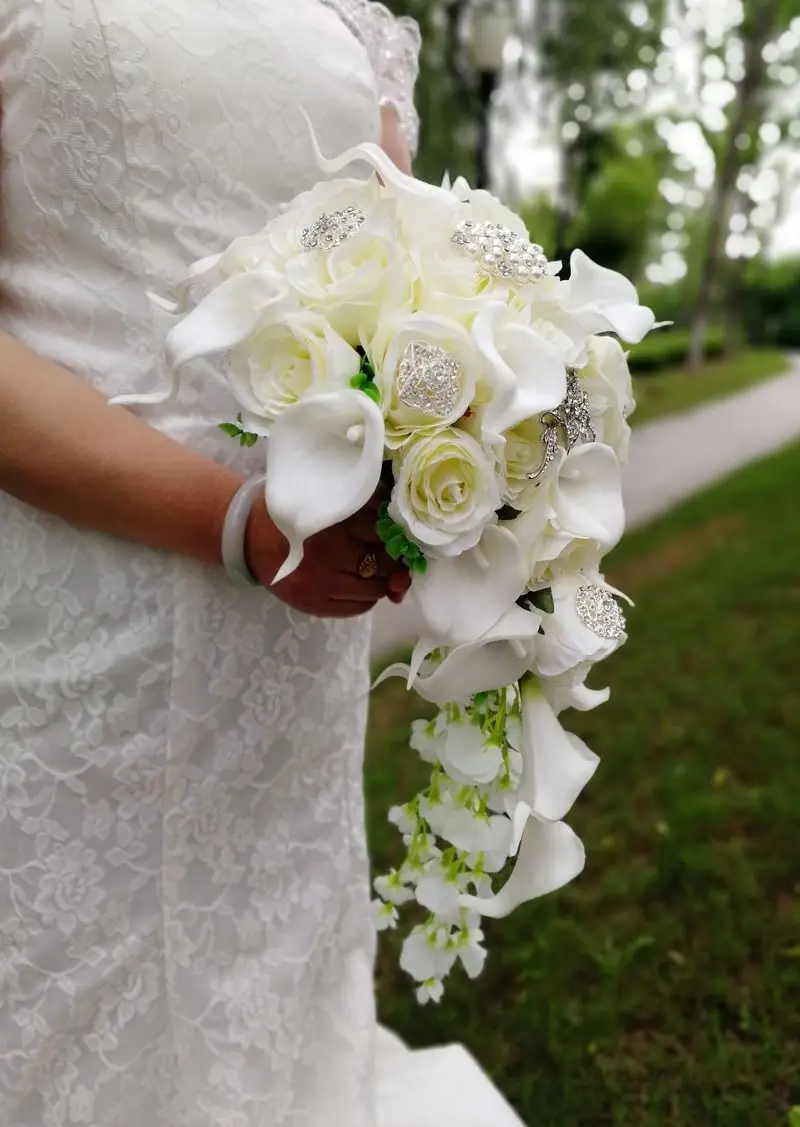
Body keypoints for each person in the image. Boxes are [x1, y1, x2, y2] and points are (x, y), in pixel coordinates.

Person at [0, 3, 525, 1123]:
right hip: (73, 621)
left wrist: (461, 446)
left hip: (292, 643)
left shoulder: (352, 19)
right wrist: (240, 523)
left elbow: (406, 281)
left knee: (267, 972)